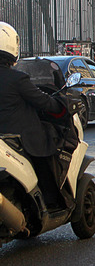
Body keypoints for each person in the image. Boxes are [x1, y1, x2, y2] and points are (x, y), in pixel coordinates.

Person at [0, 22, 66, 207]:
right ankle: (51, 202)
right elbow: (43, 101)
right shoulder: (17, 78)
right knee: (47, 151)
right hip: (18, 139)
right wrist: (59, 103)